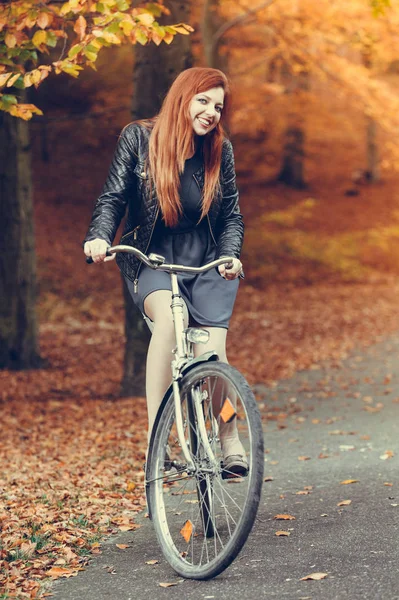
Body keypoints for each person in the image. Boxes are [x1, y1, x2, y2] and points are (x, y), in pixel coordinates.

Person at [83, 67, 247, 474]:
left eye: (218, 106)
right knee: (170, 326)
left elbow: (231, 217)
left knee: (213, 353)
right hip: (151, 255)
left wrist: (230, 254)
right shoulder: (138, 138)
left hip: (206, 258)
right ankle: (157, 438)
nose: (211, 112)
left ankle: (228, 436)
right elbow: (113, 198)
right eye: (203, 101)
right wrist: (99, 236)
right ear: (183, 97)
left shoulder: (218, 150)